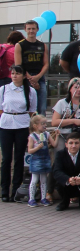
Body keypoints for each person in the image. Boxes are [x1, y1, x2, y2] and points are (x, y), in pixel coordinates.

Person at [0, 66, 37, 201]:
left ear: (23, 75)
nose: (15, 76)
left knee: (19, 157)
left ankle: (16, 189)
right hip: (6, 124)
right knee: (6, 158)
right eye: (13, 73)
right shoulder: (4, 89)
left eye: (18, 73)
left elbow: (32, 110)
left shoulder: (30, 91)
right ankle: (4, 190)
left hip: (22, 124)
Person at [52, 132, 80, 211]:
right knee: (59, 180)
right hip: (67, 183)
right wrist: (68, 179)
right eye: (71, 143)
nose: (73, 146)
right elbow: (57, 171)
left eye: (76, 143)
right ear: (66, 144)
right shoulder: (60, 154)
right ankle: (64, 202)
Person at [14, 20, 49, 116]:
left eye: (33, 29)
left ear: (37, 29)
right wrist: (31, 79)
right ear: (25, 29)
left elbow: (46, 64)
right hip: (25, 79)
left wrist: (38, 77)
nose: (31, 31)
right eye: (29, 29)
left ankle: (41, 129)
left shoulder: (42, 45)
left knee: (41, 107)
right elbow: (18, 65)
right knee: (27, 107)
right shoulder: (20, 45)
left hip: (40, 78)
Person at [26, 115, 57, 207]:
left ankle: (44, 198)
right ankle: (31, 199)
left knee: (44, 180)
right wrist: (37, 148)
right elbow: (29, 150)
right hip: (36, 159)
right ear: (35, 125)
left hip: (45, 159)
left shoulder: (46, 134)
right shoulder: (32, 136)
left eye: (45, 123)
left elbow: (54, 144)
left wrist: (57, 136)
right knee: (34, 180)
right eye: (42, 123)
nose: (44, 125)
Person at [51, 77, 80, 148]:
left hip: (79, 136)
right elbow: (54, 122)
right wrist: (73, 121)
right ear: (70, 89)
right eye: (76, 87)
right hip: (63, 135)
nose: (79, 90)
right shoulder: (62, 103)